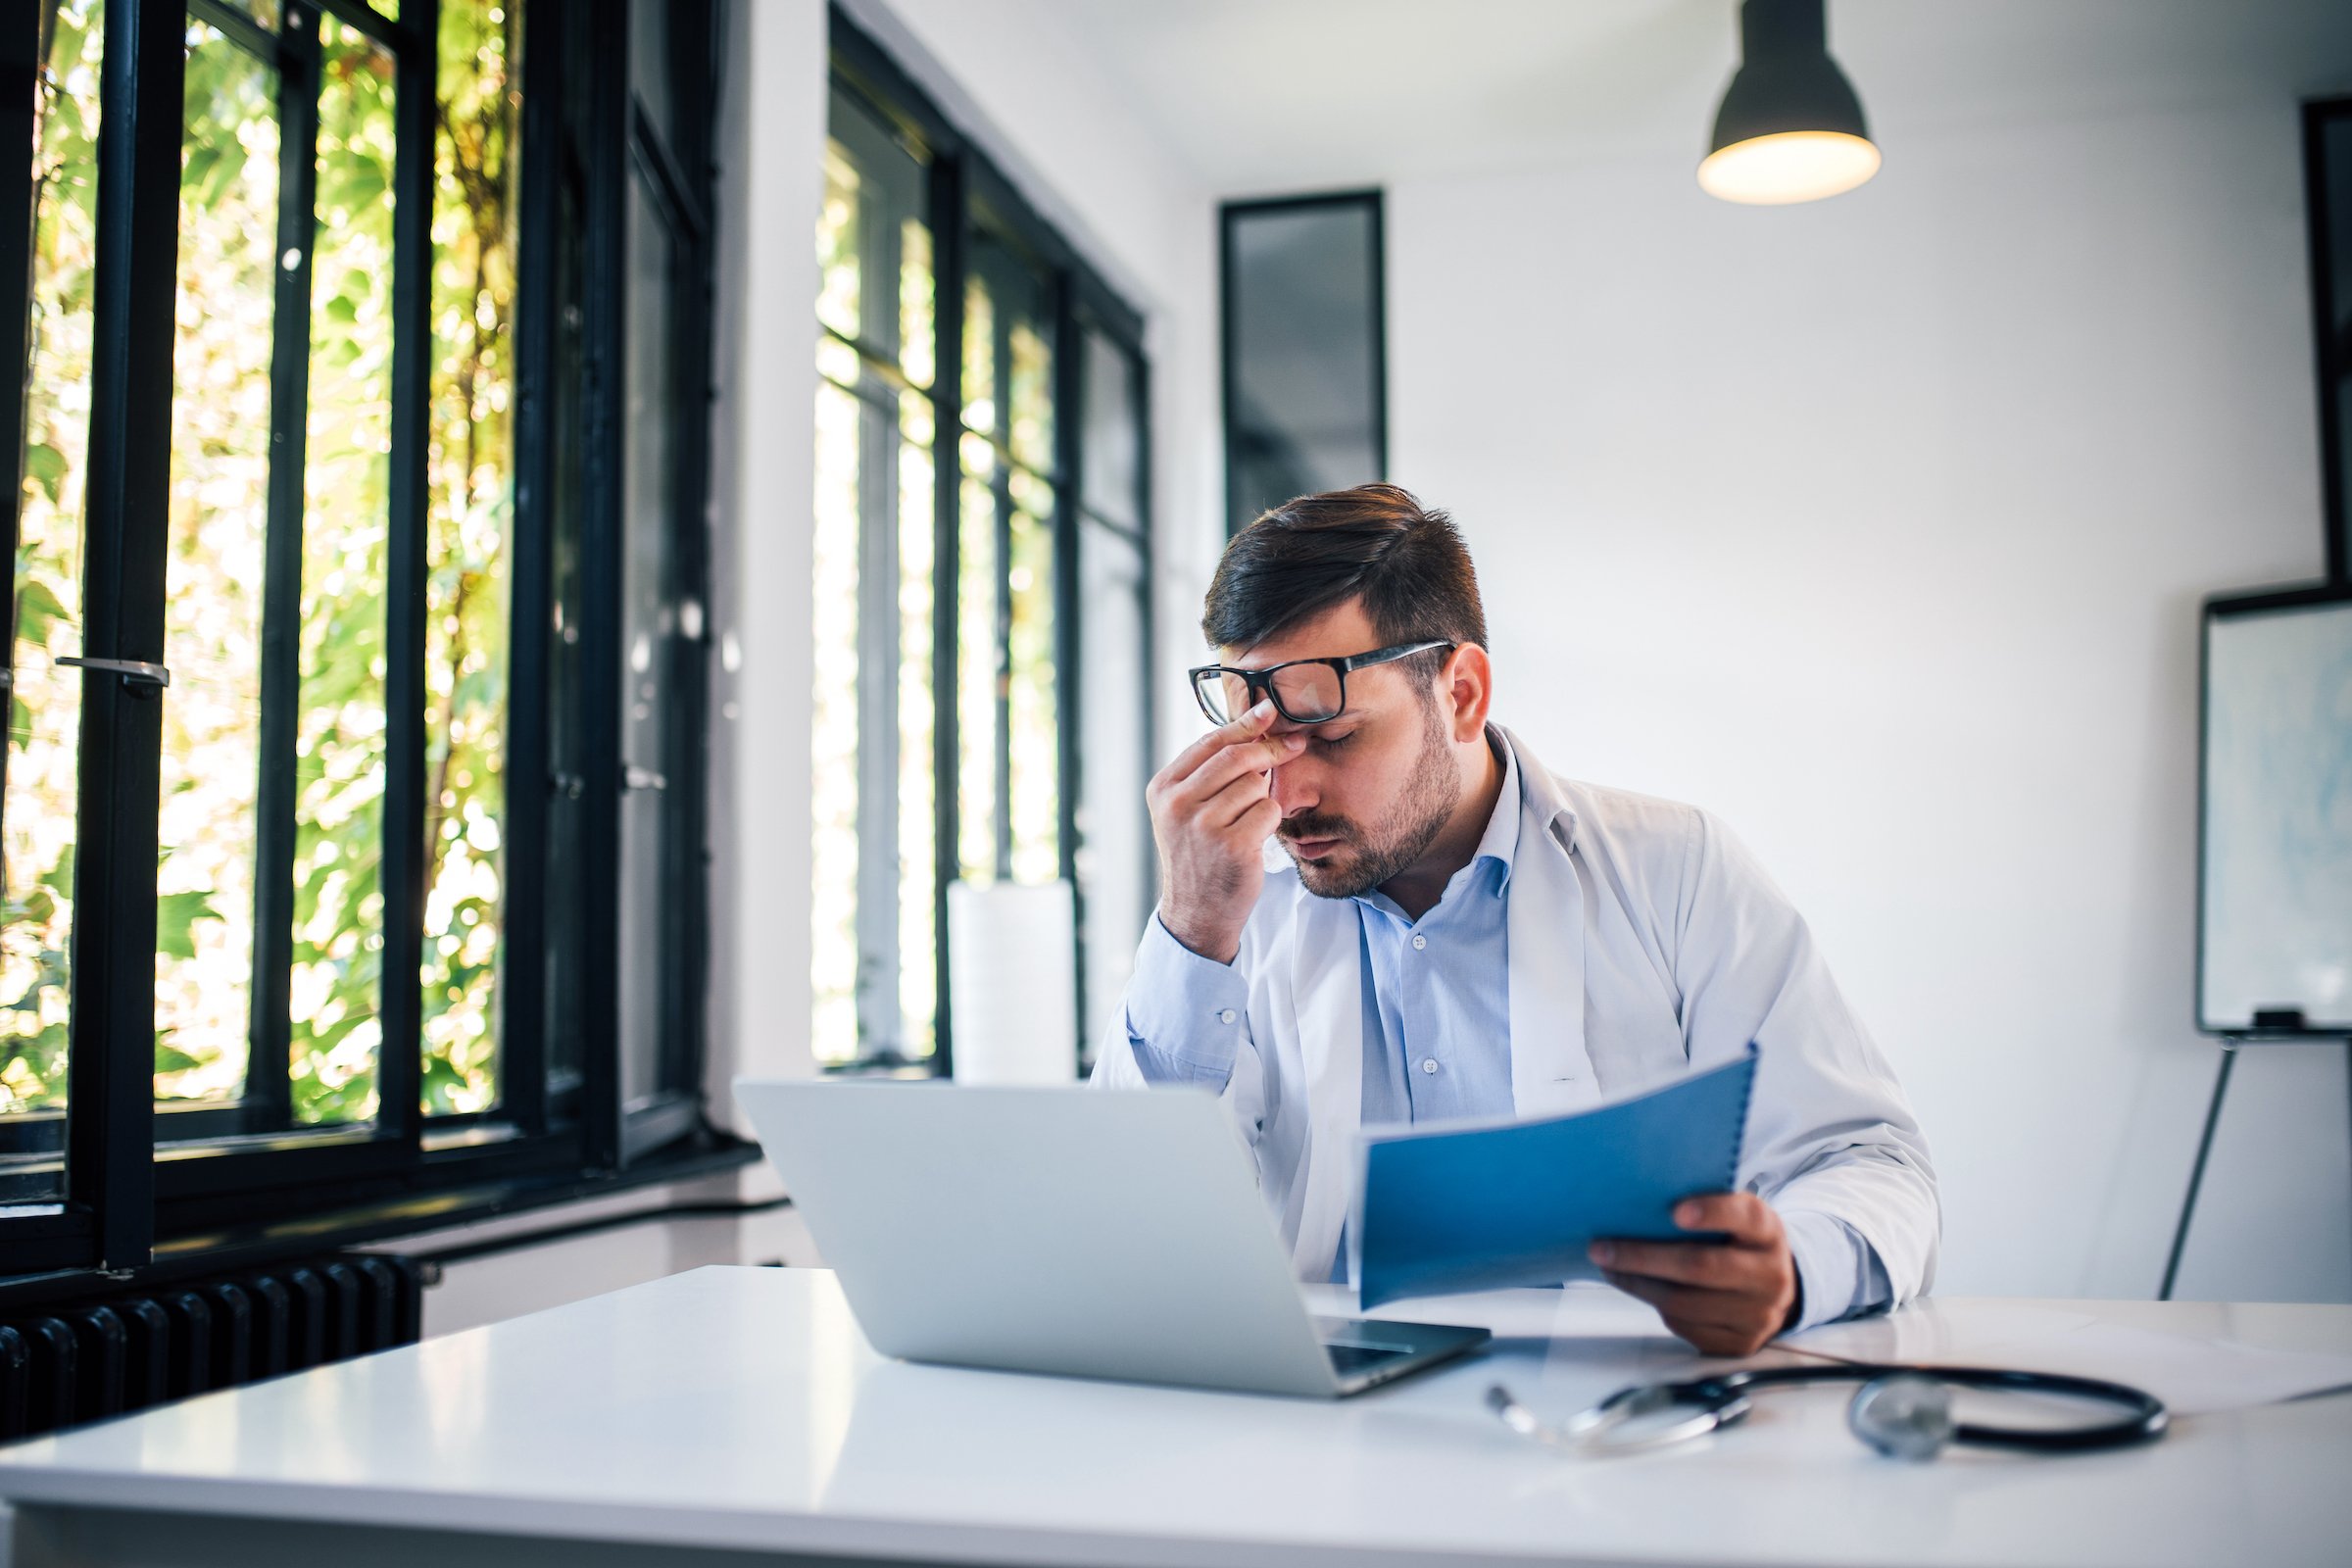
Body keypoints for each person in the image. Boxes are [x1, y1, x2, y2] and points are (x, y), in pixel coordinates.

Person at [1091, 484, 1937, 1356]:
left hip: (1619, 1424)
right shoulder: (1231, 915)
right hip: (1326, 1437)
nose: (1286, 793)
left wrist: (1792, 1270)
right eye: (1256, 742)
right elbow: (1124, 1230)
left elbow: (1870, 1164)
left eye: (1334, 738)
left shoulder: (1675, 872)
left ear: (1460, 692)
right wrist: (1192, 933)